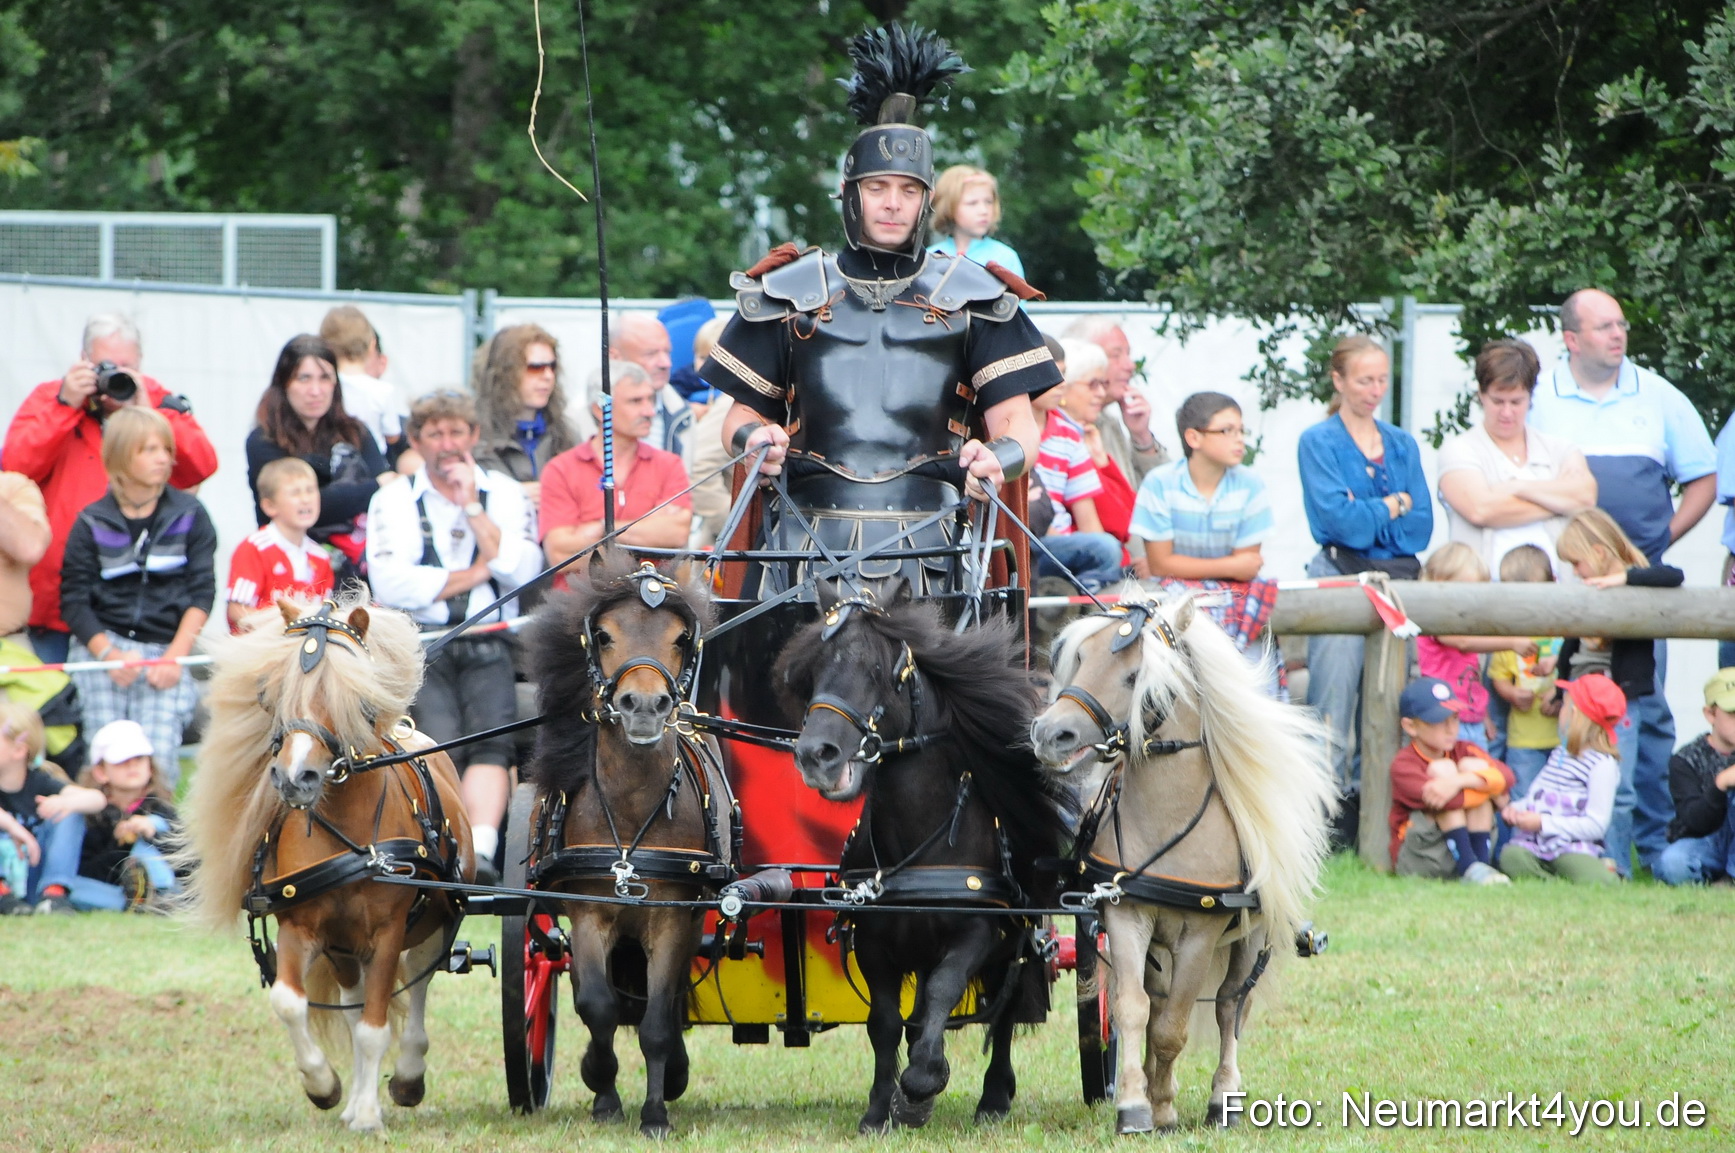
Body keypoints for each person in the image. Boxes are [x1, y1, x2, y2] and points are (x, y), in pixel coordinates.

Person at [704, 24, 1059, 600]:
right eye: (877, 187)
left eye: (908, 189)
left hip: (936, 549)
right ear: (852, 193)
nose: (892, 203)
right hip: (802, 545)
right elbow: (736, 419)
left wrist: (999, 457)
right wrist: (754, 437)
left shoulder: (977, 295)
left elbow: (1019, 426)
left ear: (925, 200)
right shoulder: (789, 290)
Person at [1529, 288, 1717, 876]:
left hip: (1637, 599)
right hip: (1563, 591)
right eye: (1604, 325)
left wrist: (1648, 555)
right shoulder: (1539, 400)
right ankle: (1565, 843)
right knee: (1563, 714)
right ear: (1571, 338)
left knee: (1646, 717)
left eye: (1621, 323)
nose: (1618, 334)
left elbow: (1702, 479)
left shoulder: (1658, 394)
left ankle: (1652, 848)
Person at [365, 391, 541, 882]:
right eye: (435, 434)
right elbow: (393, 584)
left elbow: (524, 571)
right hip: (424, 644)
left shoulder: (502, 493)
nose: (447, 445)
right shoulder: (393, 499)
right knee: (438, 742)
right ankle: (441, 844)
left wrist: (472, 508)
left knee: (492, 742)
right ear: (417, 441)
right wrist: (480, 571)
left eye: (456, 432)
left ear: (474, 437)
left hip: (491, 639)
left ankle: (480, 851)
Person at [2, 313, 217, 663]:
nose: (116, 376)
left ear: (141, 365)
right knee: (55, 712)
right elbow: (15, 468)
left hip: (137, 618)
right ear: (84, 361)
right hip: (58, 602)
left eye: (127, 367)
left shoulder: (156, 400)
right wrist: (66, 405)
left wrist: (149, 418)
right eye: (106, 365)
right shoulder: (53, 398)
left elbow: (201, 467)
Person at [1298, 335, 1433, 795]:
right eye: (1364, 380)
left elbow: (1420, 529)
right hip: (1340, 576)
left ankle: (1377, 808)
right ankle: (1326, 813)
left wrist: (1369, 510)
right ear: (1338, 380)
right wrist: (1394, 504)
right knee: (1332, 699)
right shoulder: (1318, 441)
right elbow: (1339, 523)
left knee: (1390, 697)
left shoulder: (1402, 443)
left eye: (1381, 380)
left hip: (1399, 582)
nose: (1375, 390)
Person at [59, 407, 215, 788]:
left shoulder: (191, 514)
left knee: (156, 764)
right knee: (105, 762)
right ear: (121, 456)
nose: (164, 458)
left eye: (166, 448)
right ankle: (101, 843)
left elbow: (202, 592)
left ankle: (153, 841)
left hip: (167, 648)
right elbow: (74, 601)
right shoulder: (91, 520)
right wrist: (109, 656)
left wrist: (174, 657)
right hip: (104, 649)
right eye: (149, 449)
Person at [1554, 507, 1683, 877]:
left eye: (1577, 562)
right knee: (1575, 777)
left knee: (1619, 785)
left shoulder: (1638, 579)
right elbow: (1572, 647)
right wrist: (1558, 688)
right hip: (1578, 697)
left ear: (1598, 552)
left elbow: (1673, 575)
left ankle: (1617, 867)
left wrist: (1626, 579)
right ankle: (1576, 861)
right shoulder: (1585, 589)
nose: (1575, 571)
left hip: (1617, 701)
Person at [245, 334, 402, 582]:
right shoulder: (264, 441)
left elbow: (390, 496)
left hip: (361, 572)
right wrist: (373, 487)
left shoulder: (356, 431)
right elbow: (302, 509)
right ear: (284, 383)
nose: (315, 391)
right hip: (289, 572)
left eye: (325, 378)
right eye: (304, 378)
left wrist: (371, 491)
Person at [1436, 339, 1597, 578]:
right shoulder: (1459, 449)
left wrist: (1516, 487)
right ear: (1481, 394)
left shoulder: (1560, 449)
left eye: (1517, 402)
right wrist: (1557, 504)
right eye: (1497, 401)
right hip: (1482, 595)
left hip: (1556, 593)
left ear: (1531, 397)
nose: (1507, 412)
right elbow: (1480, 510)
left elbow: (1585, 497)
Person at [540, 363, 694, 565]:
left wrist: (603, 528)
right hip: (583, 595)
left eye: (651, 399)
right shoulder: (561, 469)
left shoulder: (669, 465)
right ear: (599, 409)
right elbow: (559, 555)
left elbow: (677, 534)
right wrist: (648, 532)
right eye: (635, 401)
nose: (649, 411)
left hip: (652, 593)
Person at [1499, 674, 1626, 884]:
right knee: (1511, 857)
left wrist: (1543, 823)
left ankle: (1599, 874)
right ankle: (1554, 883)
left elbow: (1596, 825)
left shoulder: (1602, 765)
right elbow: (1537, 796)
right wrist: (1517, 809)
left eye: (1564, 705)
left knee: (1591, 877)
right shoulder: (1560, 753)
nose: (1560, 711)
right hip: (1535, 844)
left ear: (1574, 714)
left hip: (1572, 846)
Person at [1132, 391, 1271, 582]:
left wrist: (1176, 566)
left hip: (1234, 593)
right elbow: (1160, 565)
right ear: (1194, 438)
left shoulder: (1251, 485)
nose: (1239, 439)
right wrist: (1230, 566)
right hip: (1169, 597)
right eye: (1227, 431)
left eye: (1241, 430)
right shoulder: (1159, 483)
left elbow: (1246, 568)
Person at [1387, 677, 1515, 884]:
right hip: (1423, 857)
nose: (1451, 728)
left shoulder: (1463, 749)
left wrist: (1459, 781)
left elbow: (1507, 777)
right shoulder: (1404, 764)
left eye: (1454, 718)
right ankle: (1470, 868)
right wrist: (1491, 790)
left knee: (1471, 768)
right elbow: (1445, 799)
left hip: (1457, 849)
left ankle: (1478, 870)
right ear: (1410, 726)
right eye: (1439, 721)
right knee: (1443, 771)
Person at [1413, 543, 1537, 751]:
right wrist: (1511, 643)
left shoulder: (1465, 622)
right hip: (1444, 719)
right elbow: (1463, 642)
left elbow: (1471, 677)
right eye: (1463, 590)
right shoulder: (1436, 617)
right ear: (1437, 582)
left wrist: (1483, 715)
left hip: (1473, 719)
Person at [1030, 342, 1127, 592]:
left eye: (1063, 374)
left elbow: (1089, 520)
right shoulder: (1002, 429)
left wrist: (1104, 552)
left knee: (1105, 548)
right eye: (1051, 375)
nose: (1060, 383)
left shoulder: (1070, 435)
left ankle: (1091, 598)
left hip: (1060, 545)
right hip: (1025, 539)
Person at [0, 701, 103, 914]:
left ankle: (54, 894)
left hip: (36, 876)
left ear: (19, 750)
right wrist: (11, 825)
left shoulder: (40, 782)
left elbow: (97, 799)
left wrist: (65, 803)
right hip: (6, 878)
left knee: (70, 812)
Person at [68, 719, 181, 912]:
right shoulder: (92, 816)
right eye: (122, 761)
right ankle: (144, 901)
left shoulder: (162, 809)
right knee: (74, 891)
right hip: (108, 889)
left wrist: (151, 833)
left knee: (157, 826)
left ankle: (159, 896)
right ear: (101, 772)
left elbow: (186, 862)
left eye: (139, 759)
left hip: (166, 882)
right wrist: (121, 843)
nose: (132, 766)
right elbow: (88, 871)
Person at [472, 323, 579, 517]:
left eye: (552, 366)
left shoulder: (567, 434)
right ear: (505, 372)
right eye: (535, 368)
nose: (548, 376)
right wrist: (514, 496)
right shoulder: (472, 433)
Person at [224, 458, 335, 632]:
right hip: (258, 652)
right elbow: (237, 611)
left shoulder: (321, 557)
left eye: (311, 490)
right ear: (269, 506)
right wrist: (287, 628)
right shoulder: (255, 548)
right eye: (295, 493)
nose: (305, 499)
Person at [1487, 544, 1563, 796]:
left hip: (1564, 737)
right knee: (1523, 795)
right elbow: (1498, 676)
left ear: (1553, 583)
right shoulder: (1510, 637)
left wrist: (1560, 692)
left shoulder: (1564, 629)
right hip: (1523, 738)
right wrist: (1510, 693)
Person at [1062, 316, 1167, 485]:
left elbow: (1155, 495)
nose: (1130, 365)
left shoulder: (1110, 423)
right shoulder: (1056, 429)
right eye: (1116, 355)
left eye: (1128, 354)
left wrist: (1141, 436)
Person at [1654, 669, 1735, 886]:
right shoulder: (1685, 759)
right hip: (1706, 840)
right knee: (1672, 864)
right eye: (1732, 713)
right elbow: (1692, 822)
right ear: (1710, 714)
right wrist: (1720, 785)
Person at [319, 305, 409, 462]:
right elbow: (393, 437)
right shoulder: (382, 391)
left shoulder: (323, 388)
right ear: (372, 345)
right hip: (372, 465)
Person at [611, 313, 691, 459]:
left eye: (667, 352)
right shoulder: (582, 416)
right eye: (651, 354)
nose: (666, 363)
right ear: (614, 357)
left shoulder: (682, 412)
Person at [929, 164, 1024, 278]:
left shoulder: (1005, 257)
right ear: (948, 207)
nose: (984, 211)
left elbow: (1015, 296)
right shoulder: (930, 257)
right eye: (972, 203)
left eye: (988, 202)